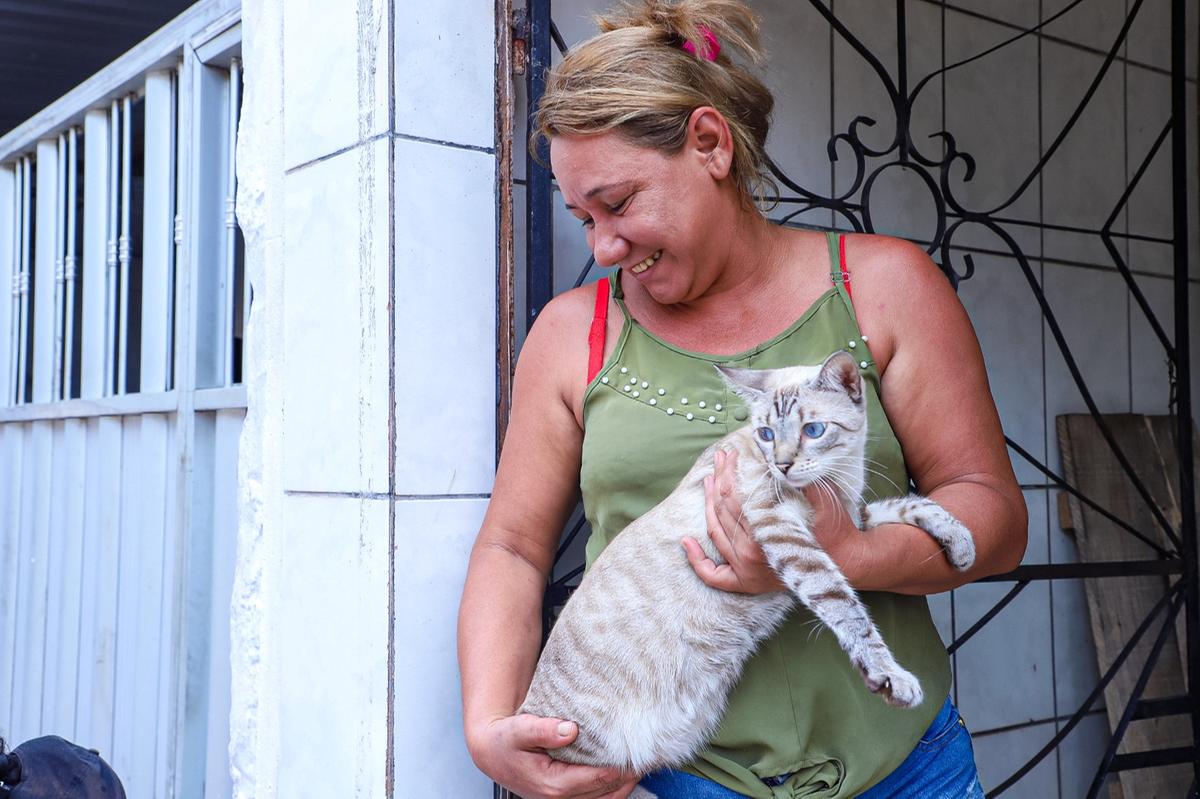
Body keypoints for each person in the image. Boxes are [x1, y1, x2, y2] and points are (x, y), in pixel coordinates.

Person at [458, 1, 1027, 796]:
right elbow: (513, 549)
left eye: (618, 204)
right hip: (673, 779)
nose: (603, 247)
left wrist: (844, 550)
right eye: (582, 216)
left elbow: (992, 518)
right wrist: (489, 729)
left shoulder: (884, 289)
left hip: (908, 771)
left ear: (710, 144)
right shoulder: (571, 335)